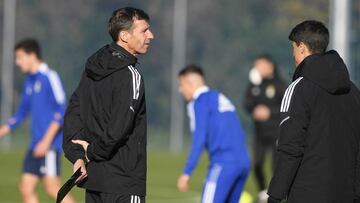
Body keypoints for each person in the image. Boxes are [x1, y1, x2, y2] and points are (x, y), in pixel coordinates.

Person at [62, 7, 154, 203]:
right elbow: (118, 128)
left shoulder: (91, 67)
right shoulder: (131, 76)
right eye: (144, 30)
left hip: (95, 180)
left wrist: (78, 156)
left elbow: (73, 113)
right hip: (123, 183)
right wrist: (91, 152)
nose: (151, 35)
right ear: (124, 36)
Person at [267, 20, 360, 203]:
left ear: (301, 48)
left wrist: (275, 195)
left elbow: (290, 147)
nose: (293, 54)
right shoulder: (353, 91)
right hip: (347, 193)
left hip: (307, 193)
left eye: (293, 48)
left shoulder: (299, 89)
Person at [0, 39, 75, 203]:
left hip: (49, 145)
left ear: (32, 55)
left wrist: (46, 141)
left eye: (19, 57)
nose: (17, 62)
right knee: (26, 188)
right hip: (35, 145)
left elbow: (61, 110)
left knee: (53, 188)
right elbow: (20, 114)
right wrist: (3, 131)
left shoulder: (50, 77)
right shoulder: (29, 81)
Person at [176, 64, 251, 203]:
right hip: (243, 162)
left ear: (189, 82)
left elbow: (199, 138)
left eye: (181, 84)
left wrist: (187, 172)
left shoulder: (199, 102)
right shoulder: (219, 97)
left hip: (223, 164)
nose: (180, 90)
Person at [243, 54, 286, 200]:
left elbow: (285, 107)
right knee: (256, 164)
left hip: (276, 132)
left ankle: (274, 195)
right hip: (259, 133)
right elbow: (246, 103)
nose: (258, 69)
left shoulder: (280, 84)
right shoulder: (254, 84)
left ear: (270, 65)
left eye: (260, 65)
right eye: (256, 66)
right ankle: (262, 192)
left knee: (275, 166)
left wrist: (269, 112)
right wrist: (254, 109)